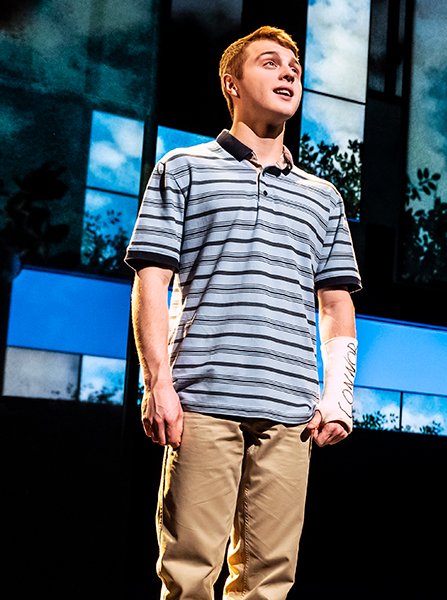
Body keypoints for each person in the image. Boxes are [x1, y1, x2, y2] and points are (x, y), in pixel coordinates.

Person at [126, 25, 361, 600]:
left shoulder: (324, 196)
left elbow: (336, 303)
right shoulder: (183, 169)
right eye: (270, 63)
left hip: (289, 414)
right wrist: (158, 384)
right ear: (232, 84)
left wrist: (338, 394)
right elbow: (150, 281)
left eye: (295, 68)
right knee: (188, 576)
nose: (288, 74)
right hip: (202, 401)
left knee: (269, 582)